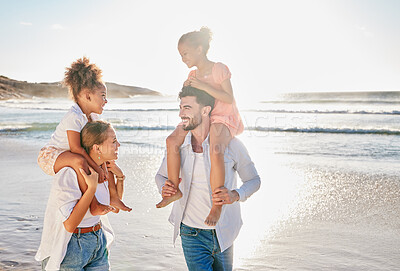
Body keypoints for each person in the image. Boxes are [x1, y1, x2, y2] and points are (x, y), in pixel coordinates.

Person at [155, 86, 260, 270]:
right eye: (180, 107)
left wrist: (236, 194)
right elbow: (160, 176)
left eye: (187, 108)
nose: (181, 114)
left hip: (224, 232)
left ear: (205, 110)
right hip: (190, 233)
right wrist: (165, 186)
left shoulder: (232, 145)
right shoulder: (178, 147)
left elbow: (254, 180)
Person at [157, 27, 244, 227]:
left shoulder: (219, 68)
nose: (182, 58)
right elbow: (190, 98)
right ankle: (174, 190)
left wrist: (203, 86)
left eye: (185, 53)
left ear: (199, 49)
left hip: (222, 117)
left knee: (215, 149)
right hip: (201, 116)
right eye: (180, 55)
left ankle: (217, 203)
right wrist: (188, 87)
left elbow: (229, 98)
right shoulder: (193, 73)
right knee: (171, 141)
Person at [37, 57, 131, 214]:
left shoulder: (93, 117)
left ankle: (113, 197)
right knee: (79, 161)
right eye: (102, 95)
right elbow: (76, 149)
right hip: (52, 154)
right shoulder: (74, 116)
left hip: (72, 152)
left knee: (106, 160)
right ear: (88, 96)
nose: (106, 100)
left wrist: (103, 166)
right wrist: (96, 168)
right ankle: (93, 204)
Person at [36, 120, 127, 270]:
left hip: (98, 240)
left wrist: (121, 178)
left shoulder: (103, 171)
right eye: (114, 141)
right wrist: (90, 189)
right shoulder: (70, 173)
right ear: (97, 147)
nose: (119, 145)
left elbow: (114, 207)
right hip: (71, 247)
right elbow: (70, 225)